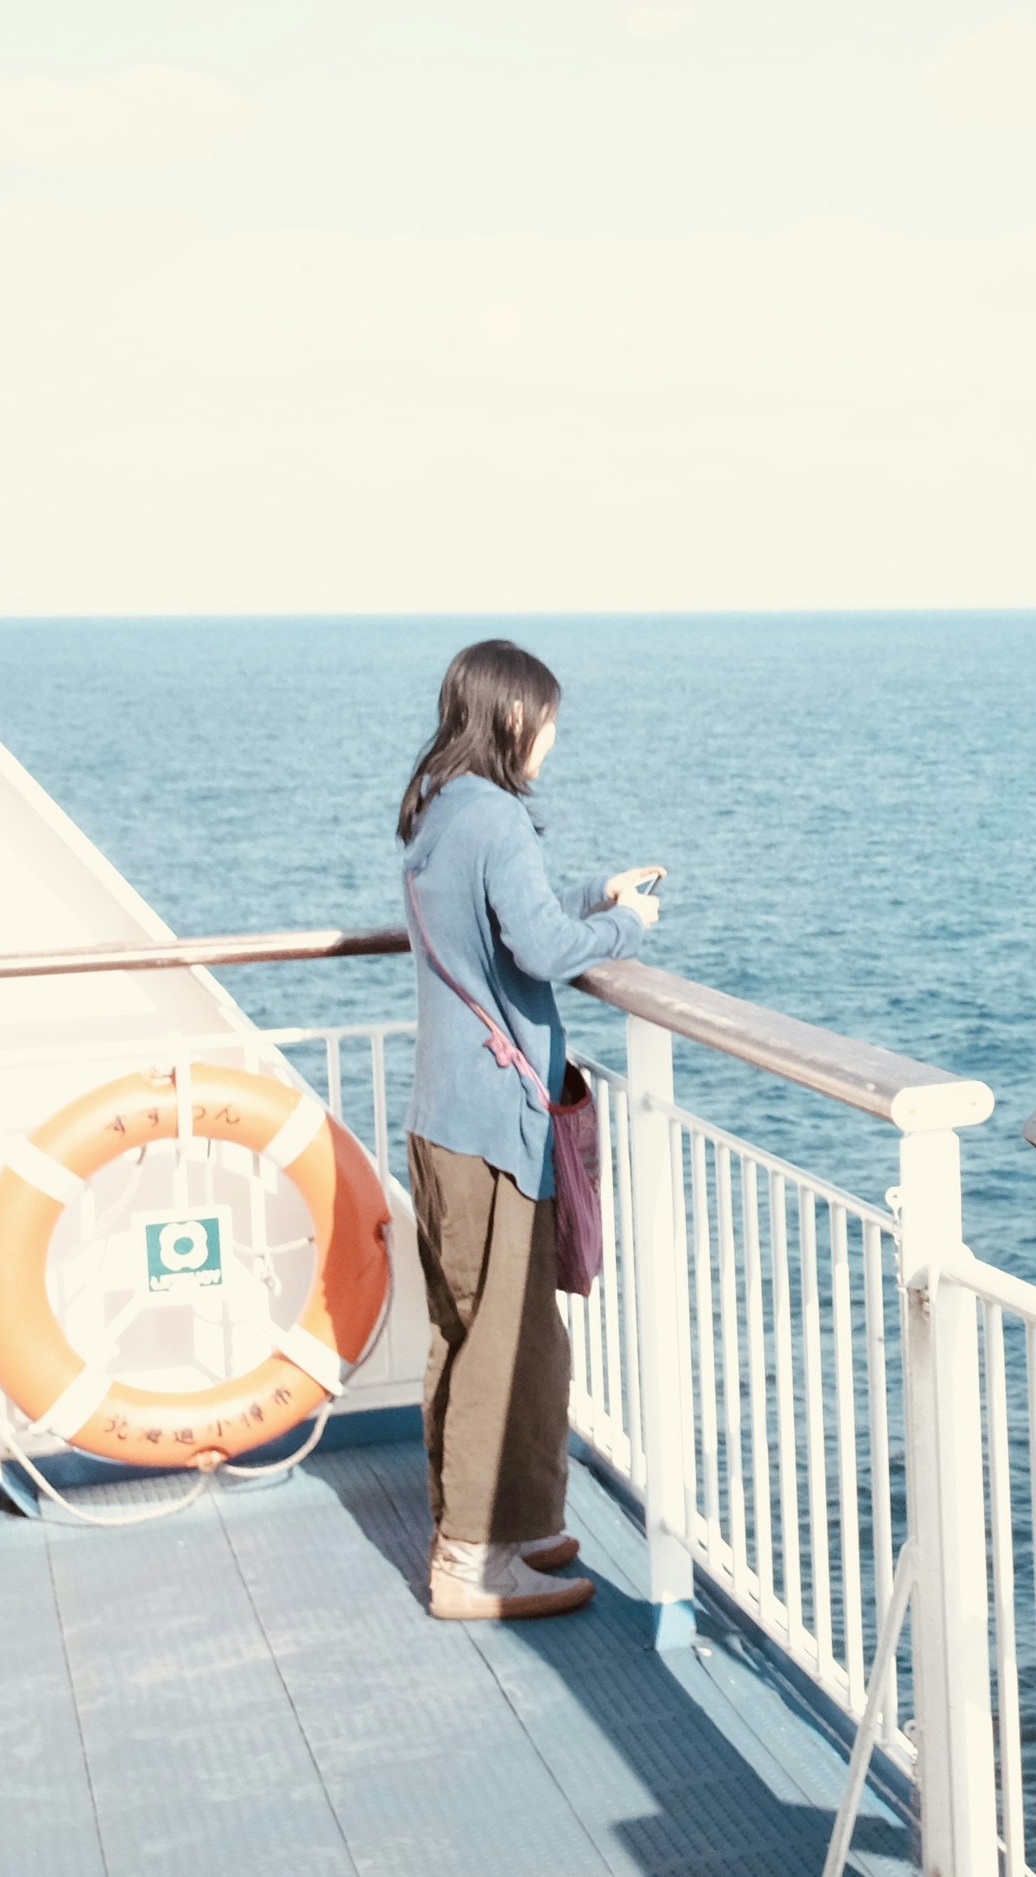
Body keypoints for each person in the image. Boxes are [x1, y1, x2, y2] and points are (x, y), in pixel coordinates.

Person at [395, 639, 662, 1621]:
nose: (553, 733)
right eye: (546, 716)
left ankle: (502, 1519)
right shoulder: (498, 818)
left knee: (484, 1330)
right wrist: (628, 926)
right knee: (501, 1341)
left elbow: (499, 916)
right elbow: (541, 948)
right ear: (514, 717)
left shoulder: (438, 808)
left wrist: (594, 888)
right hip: (494, 1126)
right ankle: (471, 1558)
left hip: (443, 1117)